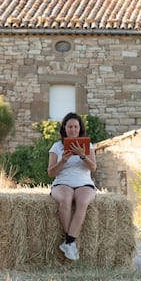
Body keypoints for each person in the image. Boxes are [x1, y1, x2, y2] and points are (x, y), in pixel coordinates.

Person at [48, 112, 97, 261]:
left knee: (82, 202)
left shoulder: (88, 145)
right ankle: (71, 242)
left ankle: (69, 242)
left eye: (76, 126)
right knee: (66, 200)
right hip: (63, 181)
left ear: (80, 128)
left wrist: (82, 155)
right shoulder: (57, 146)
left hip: (84, 181)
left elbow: (93, 168)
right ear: (65, 128)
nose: (73, 129)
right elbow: (50, 172)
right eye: (70, 126)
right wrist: (63, 160)